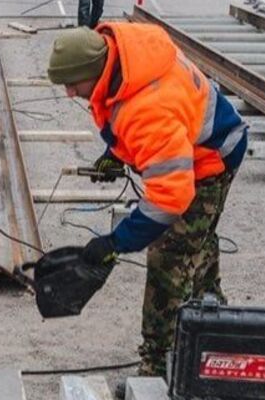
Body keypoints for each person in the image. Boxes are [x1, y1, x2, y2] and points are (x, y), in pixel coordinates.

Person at [45, 23, 249, 379]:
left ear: (92, 72)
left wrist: (116, 241)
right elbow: (123, 112)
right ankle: (213, 315)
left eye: (73, 85)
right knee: (195, 241)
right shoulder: (123, 56)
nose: (68, 93)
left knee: (169, 255)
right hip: (200, 140)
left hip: (211, 161)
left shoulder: (148, 108)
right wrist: (117, 152)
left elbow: (169, 200)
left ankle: (156, 367)